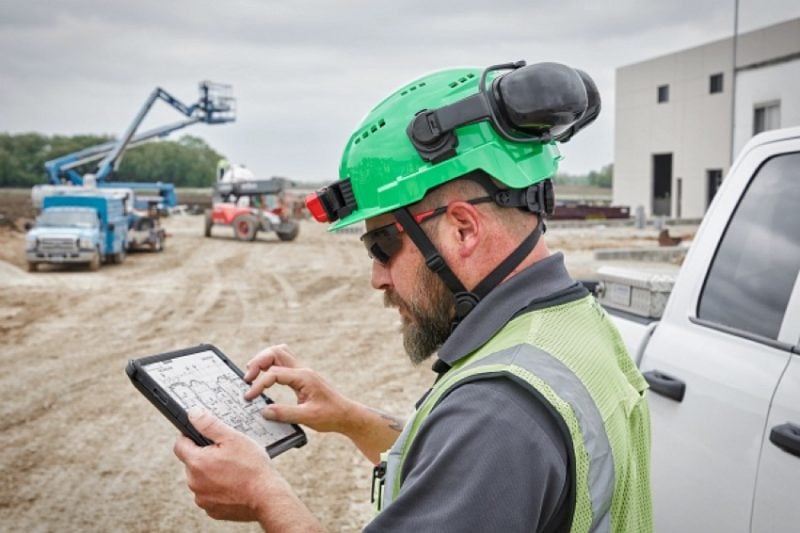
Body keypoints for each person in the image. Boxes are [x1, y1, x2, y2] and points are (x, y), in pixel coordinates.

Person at [174, 60, 653, 532]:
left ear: (462, 229)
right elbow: (466, 475)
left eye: (381, 246)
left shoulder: (495, 412)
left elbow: (484, 448)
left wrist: (264, 497)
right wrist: (350, 419)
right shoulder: (571, 325)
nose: (377, 279)